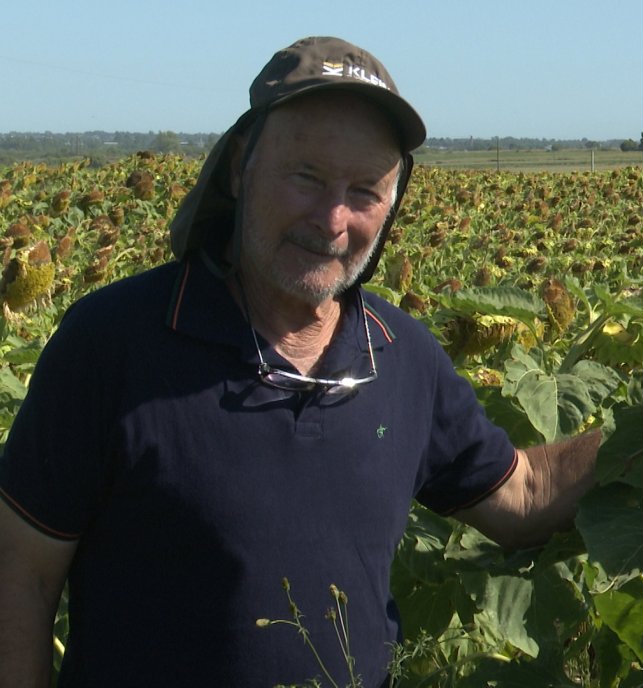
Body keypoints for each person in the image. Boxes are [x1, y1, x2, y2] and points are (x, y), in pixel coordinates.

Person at [0, 36, 601, 688]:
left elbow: (524, 495)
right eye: (306, 177)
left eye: (365, 190)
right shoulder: (116, 341)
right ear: (239, 167)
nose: (333, 218)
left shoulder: (402, 358)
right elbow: (20, 575)